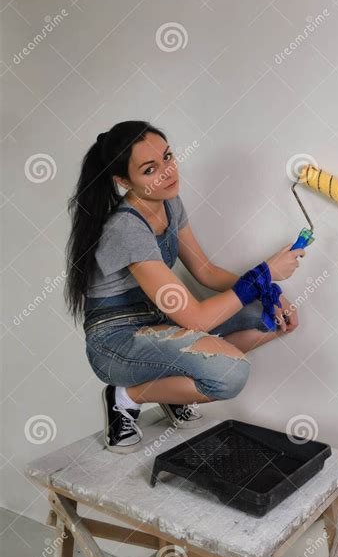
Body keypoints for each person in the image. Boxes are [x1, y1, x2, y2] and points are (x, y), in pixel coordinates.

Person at [64, 120, 304, 453]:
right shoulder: (125, 228)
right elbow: (196, 320)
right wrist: (264, 273)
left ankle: (167, 389)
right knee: (230, 374)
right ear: (123, 181)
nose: (166, 172)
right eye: (150, 169)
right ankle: (124, 396)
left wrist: (269, 292)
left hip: (157, 324)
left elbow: (206, 271)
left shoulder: (169, 203)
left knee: (267, 315)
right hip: (116, 342)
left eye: (167, 157)